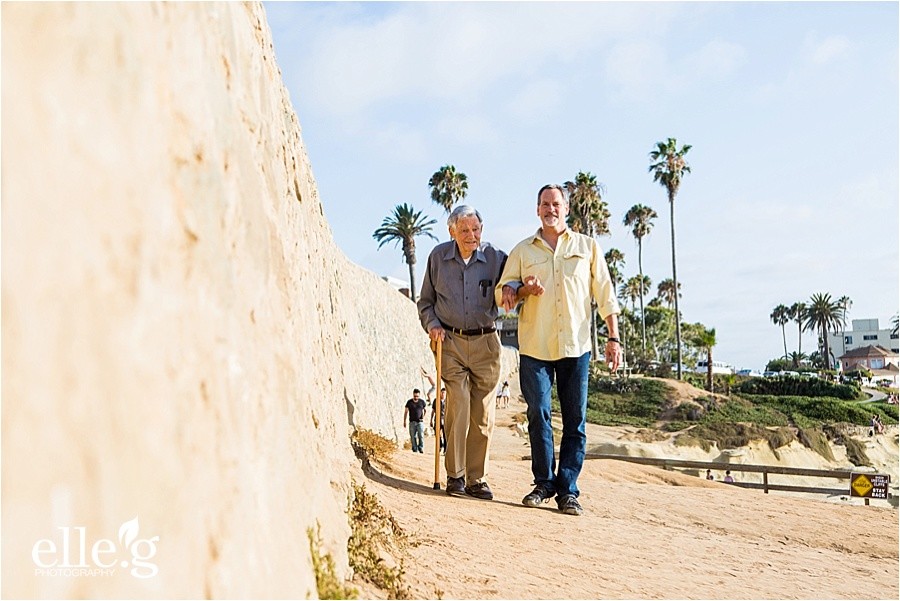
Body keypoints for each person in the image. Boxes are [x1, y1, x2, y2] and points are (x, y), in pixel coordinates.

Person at [498, 183, 621, 516]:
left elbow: (606, 295)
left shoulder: (588, 247)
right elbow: (502, 293)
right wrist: (521, 288)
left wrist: (613, 339)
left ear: (566, 208)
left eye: (556, 203)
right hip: (535, 346)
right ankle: (543, 483)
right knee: (538, 416)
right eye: (544, 204)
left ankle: (568, 490)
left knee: (575, 421)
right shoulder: (523, 251)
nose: (550, 209)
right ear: (537, 209)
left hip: (576, 346)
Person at [418, 205, 507, 500]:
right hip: (450, 341)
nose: (472, 236)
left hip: (486, 342)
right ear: (452, 231)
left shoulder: (496, 258)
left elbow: (514, 281)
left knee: (482, 413)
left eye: (476, 229)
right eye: (465, 230)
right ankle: (454, 476)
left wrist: (521, 287)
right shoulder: (438, 258)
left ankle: (476, 479)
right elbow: (426, 303)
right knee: (458, 402)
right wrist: (432, 325)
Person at [430, 388, 447, 454]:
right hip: (437, 419)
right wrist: (431, 420)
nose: (442, 394)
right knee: (437, 434)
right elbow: (433, 411)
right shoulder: (436, 400)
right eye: (442, 392)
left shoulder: (447, 401)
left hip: (445, 420)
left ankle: (445, 449)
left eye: (444, 393)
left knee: (445, 435)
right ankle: (439, 446)